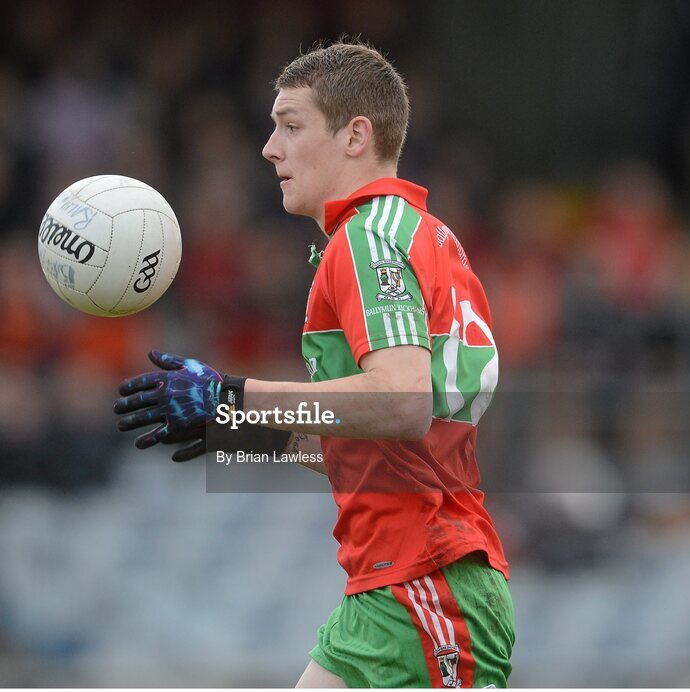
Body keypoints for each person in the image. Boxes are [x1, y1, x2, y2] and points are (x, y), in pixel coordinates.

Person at [114, 41, 513, 688]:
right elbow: (373, 444)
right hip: (402, 586)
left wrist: (235, 394)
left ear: (356, 135)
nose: (270, 148)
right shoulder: (415, 232)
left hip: (422, 586)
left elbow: (404, 400)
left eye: (291, 126)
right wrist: (232, 425)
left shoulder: (368, 237)